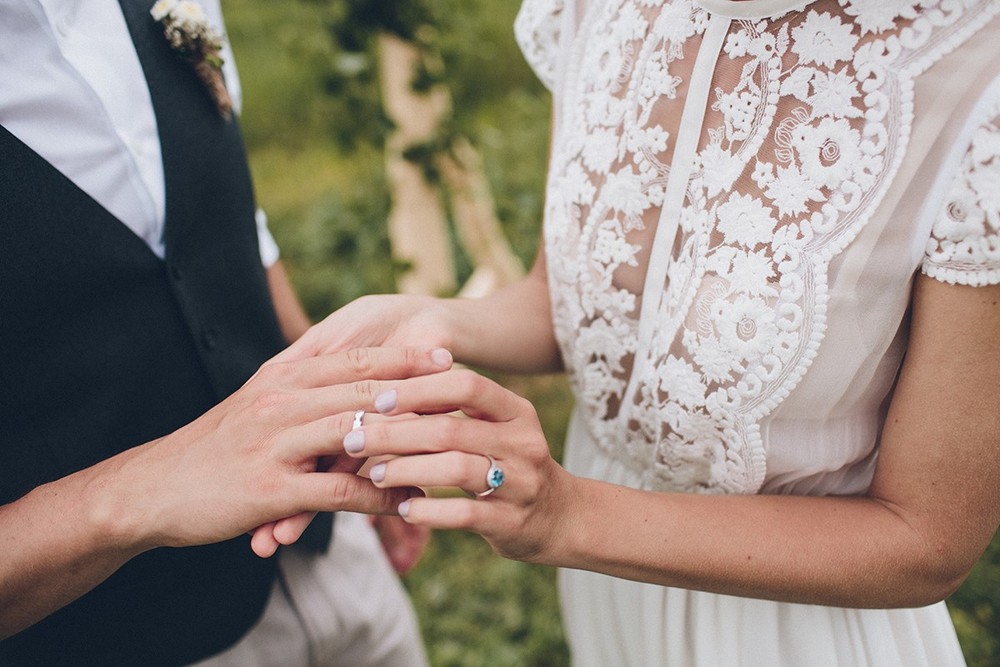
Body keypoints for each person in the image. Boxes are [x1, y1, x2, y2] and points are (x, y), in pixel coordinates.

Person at [266, 1, 1000, 665]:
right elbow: (569, 299)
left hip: (800, 628)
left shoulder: (978, 72)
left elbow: (925, 539)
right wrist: (431, 321)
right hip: (611, 595)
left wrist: (570, 514)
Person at [0, 0, 434, 664]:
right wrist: (137, 493)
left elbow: (228, 214)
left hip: (331, 560)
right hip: (122, 634)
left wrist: (352, 426)